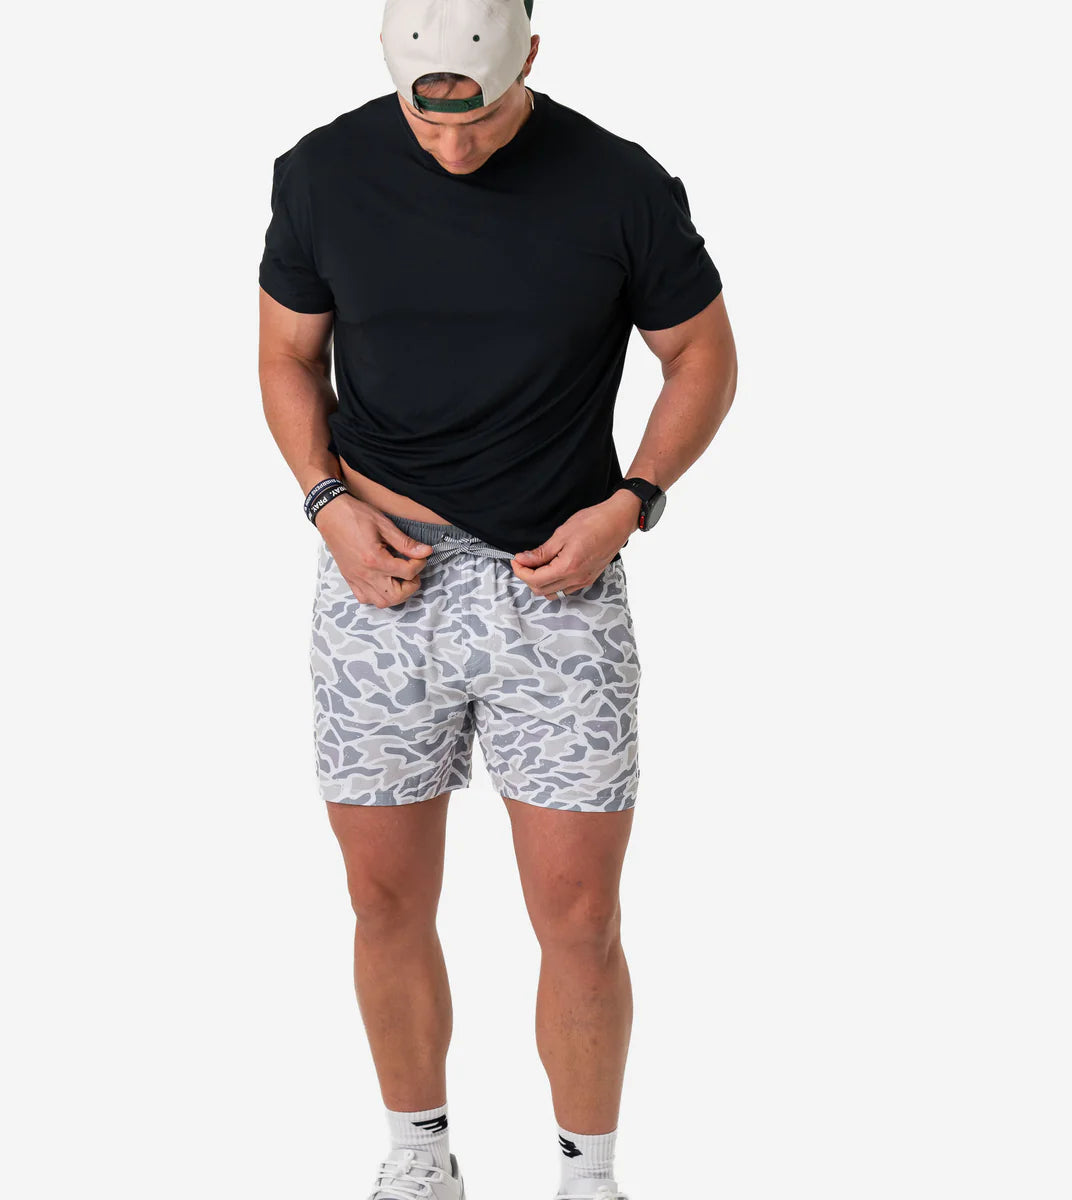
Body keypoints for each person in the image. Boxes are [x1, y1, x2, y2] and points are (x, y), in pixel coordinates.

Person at [257, 2, 737, 1197]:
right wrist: (325, 502)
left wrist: (633, 502)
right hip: (380, 582)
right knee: (382, 898)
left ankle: (588, 1178)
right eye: (428, 123)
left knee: (579, 916)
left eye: (476, 121)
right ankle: (418, 1159)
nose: (454, 147)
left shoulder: (621, 185)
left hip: (556, 588)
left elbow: (702, 354)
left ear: (528, 58)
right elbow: (286, 354)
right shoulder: (321, 174)